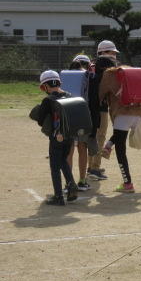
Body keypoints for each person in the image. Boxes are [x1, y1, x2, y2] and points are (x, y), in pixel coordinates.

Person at [99, 65, 141, 193]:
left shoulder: (108, 74)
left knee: (121, 150)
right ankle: (108, 146)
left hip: (122, 114)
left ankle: (127, 184)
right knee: (119, 135)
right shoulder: (130, 71)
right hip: (139, 113)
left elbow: (100, 94)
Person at [33, 70, 79, 205]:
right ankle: (71, 184)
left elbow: (41, 121)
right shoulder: (70, 96)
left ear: (46, 86)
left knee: (54, 166)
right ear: (59, 82)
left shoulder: (48, 100)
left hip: (56, 137)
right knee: (63, 160)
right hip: (69, 136)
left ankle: (58, 196)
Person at [87, 40, 119, 181]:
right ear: (104, 52)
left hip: (89, 105)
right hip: (101, 106)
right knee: (100, 136)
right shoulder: (106, 65)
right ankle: (95, 168)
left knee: (92, 136)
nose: (114, 55)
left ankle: (90, 166)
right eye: (112, 52)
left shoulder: (92, 64)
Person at [65, 54, 92, 191]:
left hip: (67, 115)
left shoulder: (64, 76)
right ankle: (82, 181)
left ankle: (69, 183)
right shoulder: (87, 76)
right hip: (82, 115)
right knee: (82, 148)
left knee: (69, 150)